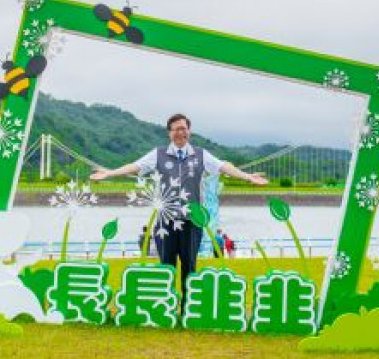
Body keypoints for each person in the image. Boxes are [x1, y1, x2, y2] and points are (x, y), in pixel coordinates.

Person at [90, 113, 267, 295]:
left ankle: (187, 308)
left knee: (189, 266)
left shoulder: (201, 155)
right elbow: (135, 166)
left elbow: (223, 166)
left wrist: (247, 176)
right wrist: (110, 173)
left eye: (183, 128)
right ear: (169, 133)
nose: (180, 132)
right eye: (176, 129)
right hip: (165, 221)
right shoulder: (158, 154)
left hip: (192, 221)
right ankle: (166, 306)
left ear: (189, 131)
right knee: (166, 266)